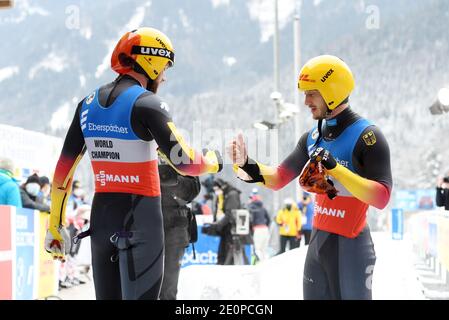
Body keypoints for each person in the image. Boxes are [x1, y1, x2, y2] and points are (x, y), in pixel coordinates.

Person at [45, 27, 223, 300]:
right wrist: (213, 162)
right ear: (151, 62)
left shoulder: (86, 104)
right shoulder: (147, 103)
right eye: (164, 68)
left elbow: (63, 171)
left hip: (103, 219)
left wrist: (55, 225)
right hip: (140, 221)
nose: (163, 77)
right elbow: (185, 162)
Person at [228, 55, 392, 300]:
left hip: (351, 247)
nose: (305, 101)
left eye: (311, 94)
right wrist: (248, 165)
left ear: (332, 91)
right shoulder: (312, 137)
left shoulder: (367, 136)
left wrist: (337, 170)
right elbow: (279, 177)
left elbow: (381, 197)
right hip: (318, 244)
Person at [158, 160, 201, 300]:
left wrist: (174, 180)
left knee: (168, 289)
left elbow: (193, 190)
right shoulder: (138, 149)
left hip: (174, 230)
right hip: (142, 227)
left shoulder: (180, 154)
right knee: (141, 287)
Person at [202, 178, 251, 265]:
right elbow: (220, 212)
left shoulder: (231, 195)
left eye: (217, 189)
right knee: (223, 255)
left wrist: (217, 225)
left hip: (232, 230)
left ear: (222, 187)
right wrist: (214, 225)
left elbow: (230, 213)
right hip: (227, 229)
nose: (216, 191)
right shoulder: (223, 195)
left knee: (230, 255)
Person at [248, 192, 270, 262]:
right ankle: (265, 264)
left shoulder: (250, 207)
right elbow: (268, 219)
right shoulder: (263, 207)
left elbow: (251, 220)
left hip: (257, 230)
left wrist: (251, 229)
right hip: (265, 229)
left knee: (257, 249)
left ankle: (258, 265)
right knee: (264, 249)